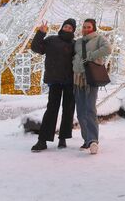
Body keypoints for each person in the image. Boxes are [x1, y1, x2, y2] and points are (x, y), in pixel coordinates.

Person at [30, 19, 77, 152]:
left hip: (70, 82)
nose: (67, 28)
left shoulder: (75, 44)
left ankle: (63, 137)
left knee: (68, 110)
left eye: (70, 27)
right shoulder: (51, 40)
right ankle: (42, 140)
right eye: (66, 26)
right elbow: (36, 48)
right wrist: (41, 33)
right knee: (51, 109)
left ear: (73, 30)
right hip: (55, 80)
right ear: (62, 27)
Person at [73, 19, 112, 155]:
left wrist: (91, 56)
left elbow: (108, 49)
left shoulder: (99, 38)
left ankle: (93, 140)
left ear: (93, 28)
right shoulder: (78, 42)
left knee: (90, 109)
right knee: (80, 112)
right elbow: (74, 55)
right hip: (77, 79)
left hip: (90, 79)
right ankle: (87, 140)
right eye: (84, 27)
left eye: (88, 27)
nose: (85, 29)